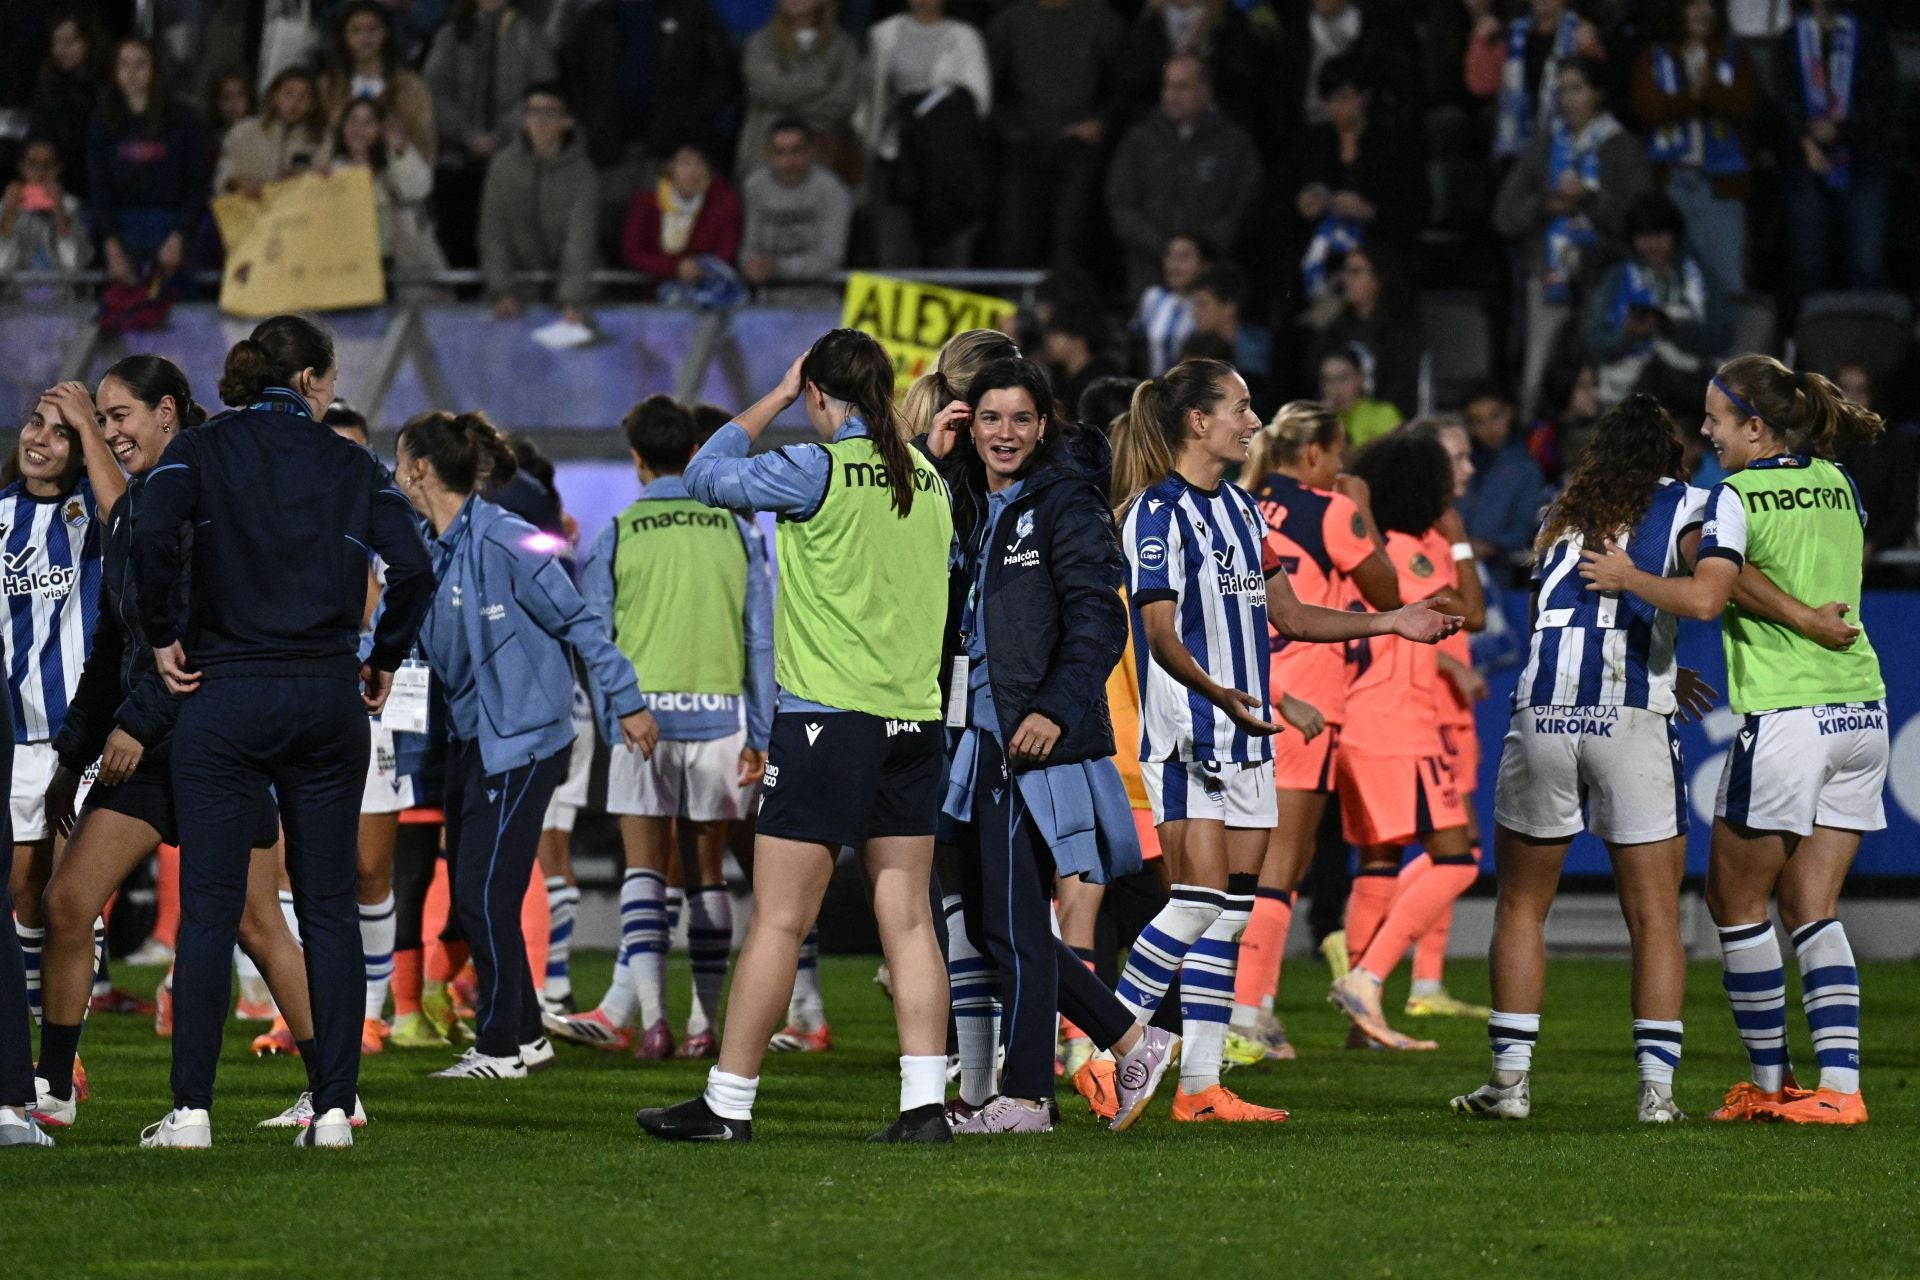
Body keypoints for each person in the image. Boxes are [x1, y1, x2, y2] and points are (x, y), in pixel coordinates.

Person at [1109, 358, 1458, 1120]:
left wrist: (1391, 620)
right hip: (1193, 730)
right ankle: (1113, 1044)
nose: (1253, 421)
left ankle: (1199, 1088)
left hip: (1249, 729)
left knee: (1232, 913)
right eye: (1239, 407)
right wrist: (1219, 695)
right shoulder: (1153, 513)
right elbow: (1160, 633)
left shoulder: (1241, 511)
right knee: (1199, 902)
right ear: (1197, 421)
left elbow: (1292, 617)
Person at [637, 329, 954, 1144]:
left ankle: (728, 1105)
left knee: (778, 921)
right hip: (914, 722)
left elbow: (704, 475)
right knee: (910, 920)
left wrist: (774, 396)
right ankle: (924, 1107)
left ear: (820, 393)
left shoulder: (815, 468)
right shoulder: (927, 477)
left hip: (826, 723)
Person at [129, 314, 433, 1149]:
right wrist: (384, 659)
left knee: (211, 910)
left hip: (224, 693)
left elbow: (152, 534)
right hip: (328, 694)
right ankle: (334, 1108)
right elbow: (414, 565)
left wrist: (162, 634)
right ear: (309, 382)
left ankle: (191, 1112)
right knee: (329, 909)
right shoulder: (351, 462)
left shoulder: (199, 448)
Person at [1577, 355, 1886, 1126]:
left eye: (1716, 419)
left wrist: (1629, 576)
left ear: (1755, 425)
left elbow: (1717, 586)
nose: (1705, 432)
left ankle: (1773, 1084)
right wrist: (1814, 612)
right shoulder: (1840, 481)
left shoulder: (1736, 495)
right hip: (1862, 710)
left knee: (1734, 899)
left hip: (1788, 715)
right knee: (1813, 905)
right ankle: (1841, 1093)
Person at [29, 362, 314, 1132]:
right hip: (146, 750)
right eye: (105, 420)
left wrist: (135, 724)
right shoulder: (136, 510)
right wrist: (72, 752)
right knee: (68, 902)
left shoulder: (197, 497)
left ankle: (334, 1093)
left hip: (211, 741)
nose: (114, 432)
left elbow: (196, 636)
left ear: (167, 411)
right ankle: (52, 1088)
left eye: (120, 416)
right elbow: (117, 642)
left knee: (259, 926)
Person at [1449, 395, 1719, 1123]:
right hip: (1626, 715)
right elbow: (1705, 590)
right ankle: (1656, 1096)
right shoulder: (1691, 502)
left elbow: (1557, 619)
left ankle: (1509, 1085)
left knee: (1522, 904)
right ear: (1670, 454)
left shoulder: (1558, 515)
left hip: (1543, 709)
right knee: (1656, 914)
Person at [933, 357, 1178, 1134]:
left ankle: (1029, 1095)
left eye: (1020, 419)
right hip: (974, 738)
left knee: (1009, 924)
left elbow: (1100, 621)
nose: (1004, 433)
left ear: (1044, 426)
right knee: (992, 922)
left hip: (1025, 740)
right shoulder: (968, 497)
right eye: (990, 418)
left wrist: (1052, 711)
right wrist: (929, 458)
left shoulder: (1066, 502)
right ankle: (1129, 1041)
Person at [394, 409, 655, 1080]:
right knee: (475, 896)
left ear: (420, 469)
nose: (394, 473)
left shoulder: (512, 539)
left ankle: (501, 1048)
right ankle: (526, 1035)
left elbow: (581, 620)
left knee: (485, 894)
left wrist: (625, 701)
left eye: (399, 460)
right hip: (469, 741)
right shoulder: (432, 544)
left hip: (523, 741)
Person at [554, 395, 771, 1060]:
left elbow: (593, 635)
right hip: (720, 722)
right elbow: (758, 640)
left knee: (644, 872)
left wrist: (623, 703)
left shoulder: (619, 531)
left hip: (642, 720)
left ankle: (652, 1023)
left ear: (637, 460)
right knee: (708, 872)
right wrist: (760, 732)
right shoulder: (735, 531)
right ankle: (707, 1025)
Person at [1228, 400, 1399, 1061]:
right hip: (1305, 703)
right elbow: (1386, 594)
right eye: (1338, 456)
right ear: (1313, 455)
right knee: (1279, 871)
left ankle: (1246, 1013)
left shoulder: (1241, 503)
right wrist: (1362, 508)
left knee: (1235, 863)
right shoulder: (1332, 512)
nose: (1342, 467)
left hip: (1245, 690)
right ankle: (1248, 1016)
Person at [1325, 428, 1484, 1051]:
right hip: (1398, 722)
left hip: (1363, 720)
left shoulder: (1365, 541)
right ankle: (1366, 976)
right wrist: (1463, 542)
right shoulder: (1410, 549)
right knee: (1455, 857)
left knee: (1381, 862)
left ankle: (1363, 1020)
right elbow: (1471, 613)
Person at [3, 378, 125, 1041]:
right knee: (26, 893)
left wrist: (89, 422)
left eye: (59, 431)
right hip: (16, 735)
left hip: (79, 736)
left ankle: (61, 1052)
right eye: (35, 423)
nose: (38, 438)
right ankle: (25, 1039)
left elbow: (129, 511)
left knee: (70, 895)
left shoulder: (96, 513)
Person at [1494, 56, 1650, 415]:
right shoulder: (1546, 144)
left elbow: (1641, 222)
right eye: (1562, 89)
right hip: (1549, 274)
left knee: (1603, 378)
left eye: (1576, 88)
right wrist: (1545, 206)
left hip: (1606, 276)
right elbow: (1504, 214)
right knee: (1536, 374)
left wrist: (1591, 200)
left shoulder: (1621, 146)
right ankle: (1534, 456)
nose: (1567, 98)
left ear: (1598, 93)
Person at [1104, 54, 1260, 302]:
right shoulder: (1139, 140)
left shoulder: (1233, 143)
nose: (1172, 95)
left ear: (1205, 91)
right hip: (1149, 275)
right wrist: (1165, 249)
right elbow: (1120, 205)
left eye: (1182, 87)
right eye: (1168, 86)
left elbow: (1245, 205)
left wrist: (1202, 249)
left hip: (1212, 276)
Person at [1772, 0, 1895, 314]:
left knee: (1866, 261)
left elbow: (1882, 103)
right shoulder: (1789, 40)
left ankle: (1869, 351)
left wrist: (1841, 131)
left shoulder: (1870, 38)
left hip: (1863, 161)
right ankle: (1800, 350)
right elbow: (1782, 101)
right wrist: (1807, 139)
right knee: (1807, 263)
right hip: (1805, 162)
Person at [985, 0, 1124, 272]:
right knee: (1014, 241)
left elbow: (1123, 85)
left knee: (1070, 240)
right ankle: (1014, 311)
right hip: (1023, 146)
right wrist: (1006, 126)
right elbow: (984, 86)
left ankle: (1066, 312)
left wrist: (1101, 122)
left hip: (1077, 147)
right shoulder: (1010, 21)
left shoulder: (1101, 19)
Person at [1279, 56, 1425, 313]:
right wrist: (1302, 205)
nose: (1337, 107)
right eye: (1331, 99)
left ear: (1364, 96)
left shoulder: (1395, 145)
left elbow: (1416, 206)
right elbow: (1281, 196)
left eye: (1344, 97)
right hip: (1317, 249)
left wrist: (1370, 212)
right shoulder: (1311, 144)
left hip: (1376, 246)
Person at [1631, 0, 1758, 295]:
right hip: (1671, 181)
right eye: (1692, 4)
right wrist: (1694, 96)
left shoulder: (1734, 54)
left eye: (1708, 4)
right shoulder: (1656, 56)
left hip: (1721, 185)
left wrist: (1708, 90)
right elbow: (1647, 109)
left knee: (1726, 283)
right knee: (1669, 283)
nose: (1702, 11)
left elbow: (1746, 104)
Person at [857, 0, 992, 268]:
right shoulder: (883, 34)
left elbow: (978, 101)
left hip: (946, 164)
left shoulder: (964, 37)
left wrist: (923, 117)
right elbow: (868, 97)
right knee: (895, 256)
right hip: (895, 158)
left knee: (948, 254)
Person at [422, 0, 555, 268]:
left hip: (515, 163)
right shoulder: (450, 36)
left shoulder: (530, 36)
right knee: (457, 252)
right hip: (456, 165)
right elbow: (434, 95)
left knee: (510, 252)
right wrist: (467, 136)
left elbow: (543, 92)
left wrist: (501, 136)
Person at [1585, 192, 1731, 409]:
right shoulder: (1617, 277)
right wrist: (1628, 335)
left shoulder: (1699, 274)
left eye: (1660, 235)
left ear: (1675, 235)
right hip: (1627, 386)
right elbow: (1597, 343)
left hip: (1689, 384)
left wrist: (1675, 329)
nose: (1652, 244)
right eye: (1644, 236)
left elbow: (1722, 334)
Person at [86, 36, 205, 292]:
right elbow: (99, 188)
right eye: (124, 65)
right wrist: (111, 246)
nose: (132, 73)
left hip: (172, 223)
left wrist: (179, 235)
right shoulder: (102, 121)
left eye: (140, 65)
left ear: (155, 69)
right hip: (122, 224)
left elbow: (197, 183)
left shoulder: (185, 119)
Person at [479, 82, 598, 325]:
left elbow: (580, 241)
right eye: (532, 112)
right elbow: (493, 234)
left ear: (567, 121)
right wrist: (501, 290)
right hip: (517, 293)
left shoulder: (583, 174)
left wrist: (571, 299)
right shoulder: (502, 168)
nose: (540, 121)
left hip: (573, 296)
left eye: (550, 113)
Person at [324, 97, 448, 288]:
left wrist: (399, 150)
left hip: (396, 264)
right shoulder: (330, 171)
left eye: (368, 123)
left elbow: (418, 189)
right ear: (343, 129)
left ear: (380, 129)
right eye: (353, 122)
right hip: (349, 268)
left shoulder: (394, 163)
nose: (360, 130)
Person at [736, 0, 863, 182]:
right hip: (762, 159)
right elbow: (759, 89)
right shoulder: (761, 41)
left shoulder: (844, 46)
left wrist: (781, 100)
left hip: (822, 164)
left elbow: (843, 103)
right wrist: (819, 82)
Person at [1303, 245, 1422, 423]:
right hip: (1338, 422)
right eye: (1346, 272)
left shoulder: (1401, 331)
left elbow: (1403, 389)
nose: (1346, 279)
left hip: (1385, 425)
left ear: (1378, 278)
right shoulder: (1334, 328)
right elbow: (1311, 375)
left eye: (1356, 272)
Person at [739, 118, 852, 302]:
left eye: (796, 151)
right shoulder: (754, 186)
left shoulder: (832, 190)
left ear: (811, 151)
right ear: (768, 153)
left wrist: (779, 268)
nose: (788, 161)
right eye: (780, 152)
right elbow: (748, 247)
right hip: (765, 303)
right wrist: (751, 265)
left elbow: (831, 257)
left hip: (820, 302)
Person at [318, 1, 437, 165]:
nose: (365, 39)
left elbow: (423, 143)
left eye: (373, 30)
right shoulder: (328, 86)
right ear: (344, 36)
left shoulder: (410, 87)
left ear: (386, 33)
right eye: (356, 30)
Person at [619, 144, 743, 301]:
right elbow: (632, 251)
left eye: (700, 163)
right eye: (685, 163)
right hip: (652, 295)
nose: (693, 172)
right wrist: (674, 267)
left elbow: (726, 248)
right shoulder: (646, 200)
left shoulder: (724, 199)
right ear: (669, 166)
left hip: (708, 291)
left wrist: (701, 269)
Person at [1491, 0, 1605, 160]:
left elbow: (1598, 87)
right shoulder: (1512, 33)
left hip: (1568, 145)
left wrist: (1589, 48)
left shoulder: (1580, 33)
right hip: (1516, 146)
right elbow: (1484, 85)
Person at [1462, 382, 1548, 565]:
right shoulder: (1462, 462)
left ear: (1509, 413)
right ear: (1470, 427)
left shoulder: (1525, 468)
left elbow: (1524, 529)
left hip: (1500, 569)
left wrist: (1491, 546)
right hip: (1456, 559)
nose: (1489, 427)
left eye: (1495, 416)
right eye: (1478, 421)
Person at [27, 10, 107, 203]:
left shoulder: (106, 86)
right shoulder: (47, 86)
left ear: (89, 42)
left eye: (70, 42)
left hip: (100, 185)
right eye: (56, 42)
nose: (62, 50)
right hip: (56, 185)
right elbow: (38, 139)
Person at [0, 138, 92, 302]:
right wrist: (8, 216)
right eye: (33, 164)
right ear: (21, 166)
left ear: (58, 168)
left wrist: (59, 214)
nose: (41, 172)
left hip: (62, 304)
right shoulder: (6, 206)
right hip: (15, 305)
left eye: (48, 165)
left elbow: (73, 265)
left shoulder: (70, 207)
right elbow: (2, 266)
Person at [213, 66, 326, 198]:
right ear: (274, 97)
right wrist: (238, 183)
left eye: (303, 97)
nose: (295, 103)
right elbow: (223, 176)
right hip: (248, 211)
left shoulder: (321, 138)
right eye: (288, 94)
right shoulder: (244, 131)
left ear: (313, 104)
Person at [1131, 232, 1211, 377]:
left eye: (1185, 257)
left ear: (1204, 264)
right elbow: (1136, 345)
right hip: (1153, 389)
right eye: (1170, 256)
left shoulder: (1209, 304)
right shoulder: (1153, 298)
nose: (1175, 265)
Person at [1318, 344, 1400, 449]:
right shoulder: (1321, 420)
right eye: (1327, 380)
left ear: (1360, 379)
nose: (1335, 387)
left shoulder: (1384, 414)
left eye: (1343, 378)